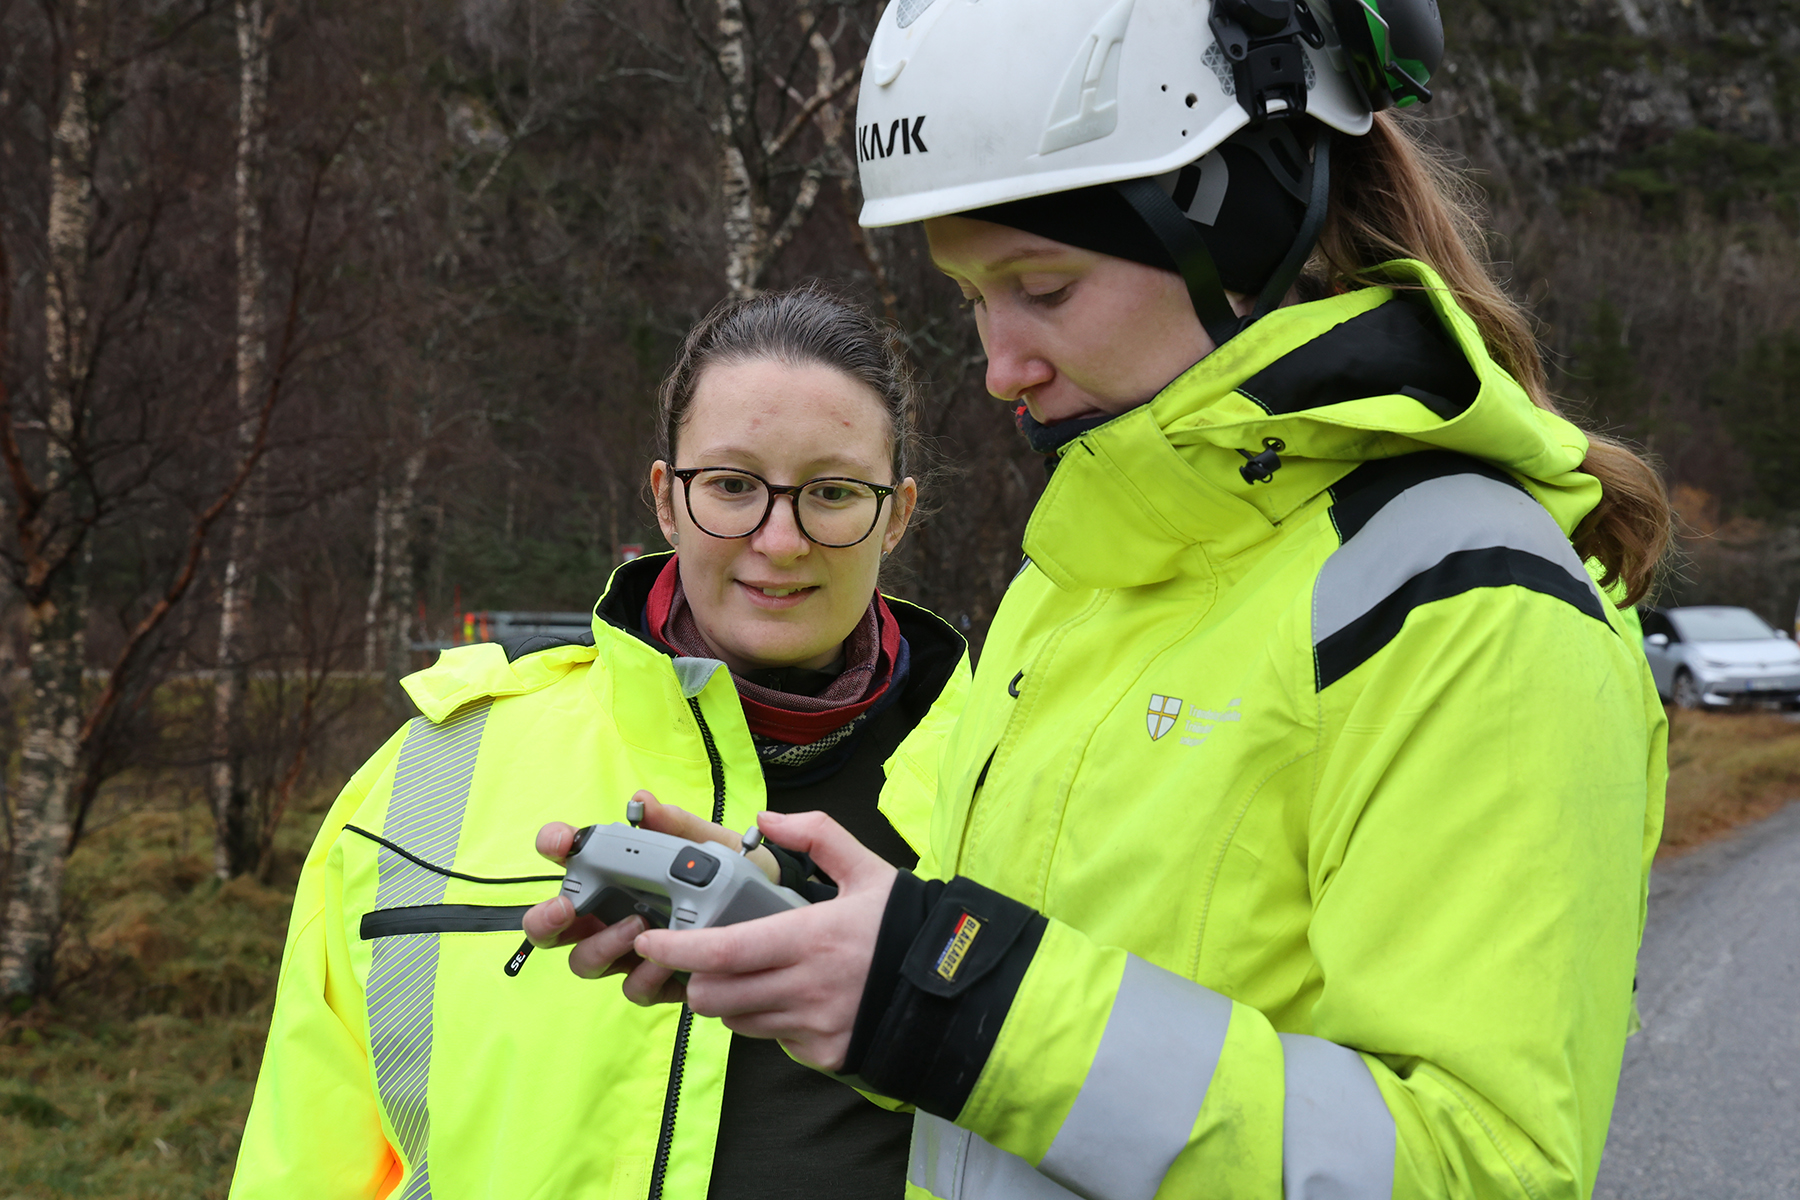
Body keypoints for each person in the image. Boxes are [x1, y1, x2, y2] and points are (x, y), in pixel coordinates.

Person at [538, 2, 1674, 1198]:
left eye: (1044, 286)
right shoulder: (1079, 588)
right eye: (975, 297)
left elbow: (1478, 1167)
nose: (998, 365)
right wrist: (831, 946)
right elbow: (1046, 1052)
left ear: (1240, 227)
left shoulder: (1465, 605)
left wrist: (939, 991)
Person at [230, 285, 971, 1200]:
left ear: (895, 515)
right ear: (666, 499)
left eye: (830, 493)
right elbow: (305, 1161)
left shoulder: (1015, 772)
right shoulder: (431, 768)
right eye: (733, 486)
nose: (779, 541)